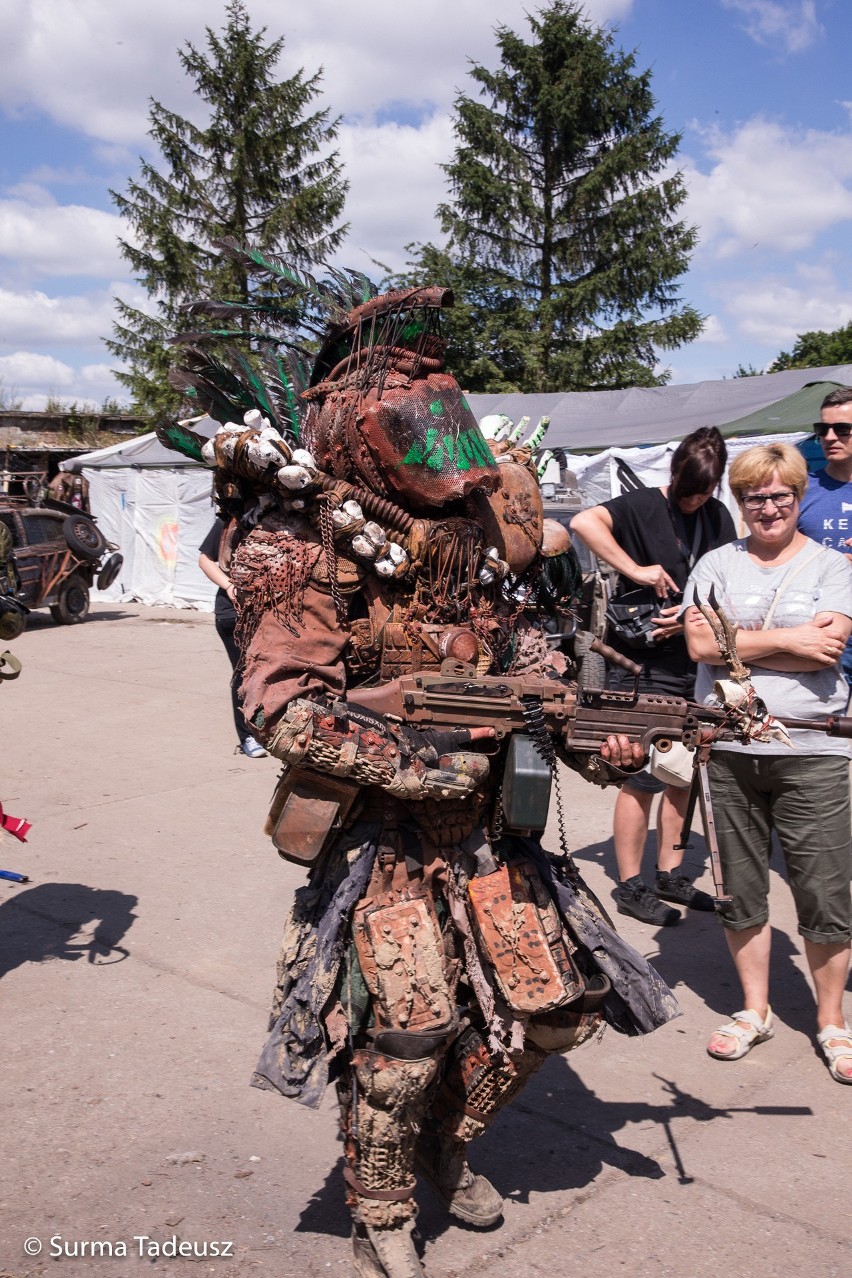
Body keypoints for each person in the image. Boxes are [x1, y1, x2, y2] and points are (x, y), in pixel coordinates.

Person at [166, 254, 679, 1278]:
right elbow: (279, 705)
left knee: (561, 1013)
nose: (456, 444)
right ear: (361, 424)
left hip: (494, 827)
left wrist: (601, 741)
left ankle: (452, 1142)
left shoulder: (479, 533)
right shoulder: (301, 540)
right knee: (408, 1032)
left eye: (450, 409)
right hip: (380, 834)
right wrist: (412, 766)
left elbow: (527, 657)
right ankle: (382, 1204)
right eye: (419, 412)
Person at [683, 442, 852, 1083]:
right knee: (740, 887)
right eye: (756, 496)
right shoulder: (716, 562)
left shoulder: (833, 567)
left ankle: (831, 1020)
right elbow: (700, 642)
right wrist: (786, 638)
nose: (769, 507)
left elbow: (827, 649)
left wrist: (738, 645)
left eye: (781, 495)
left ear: (799, 496)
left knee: (824, 888)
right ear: (740, 500)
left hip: (812, 747)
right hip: (725, 748)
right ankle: (755, 1009)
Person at [570, 428, 737, 927]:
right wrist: (637, 570)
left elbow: (723, 583)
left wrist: (689, 612)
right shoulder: (642, 505)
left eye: (704, 492)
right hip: (641, 665)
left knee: (682, 773)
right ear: (674, 474)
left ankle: (669, 873)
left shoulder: (716, 516)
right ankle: (630, 884)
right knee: (640, 774)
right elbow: (582, 521)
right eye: (688, 491)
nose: (694, 501)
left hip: (694, 664)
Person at [198, 517, 267, 759]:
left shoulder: (277, 519)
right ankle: (247, 735)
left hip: (268, 611)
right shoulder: (230, 520)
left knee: (266, 670)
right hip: (232, 611)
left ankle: (264, 729)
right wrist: (228, 586)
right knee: (244, 670)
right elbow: (205, 560)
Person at [797, 386, 852, 688]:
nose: (830, 437)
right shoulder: (801, 490)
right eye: (823, 429)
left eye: (842, 429)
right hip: (820, 636)